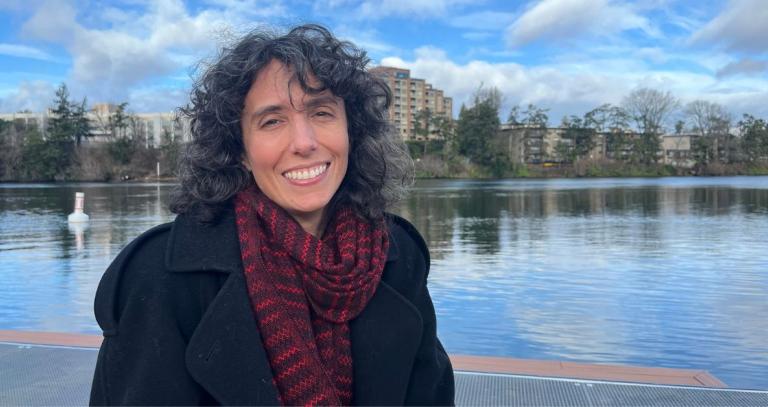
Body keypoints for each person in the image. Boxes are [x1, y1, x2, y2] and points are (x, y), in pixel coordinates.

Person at [89, 24, 454, 406]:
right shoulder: (160, 279)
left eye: (322, 112)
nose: (304, 142)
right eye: (272, 121)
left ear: (352, 130)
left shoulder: (396, 256)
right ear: (240, 150)